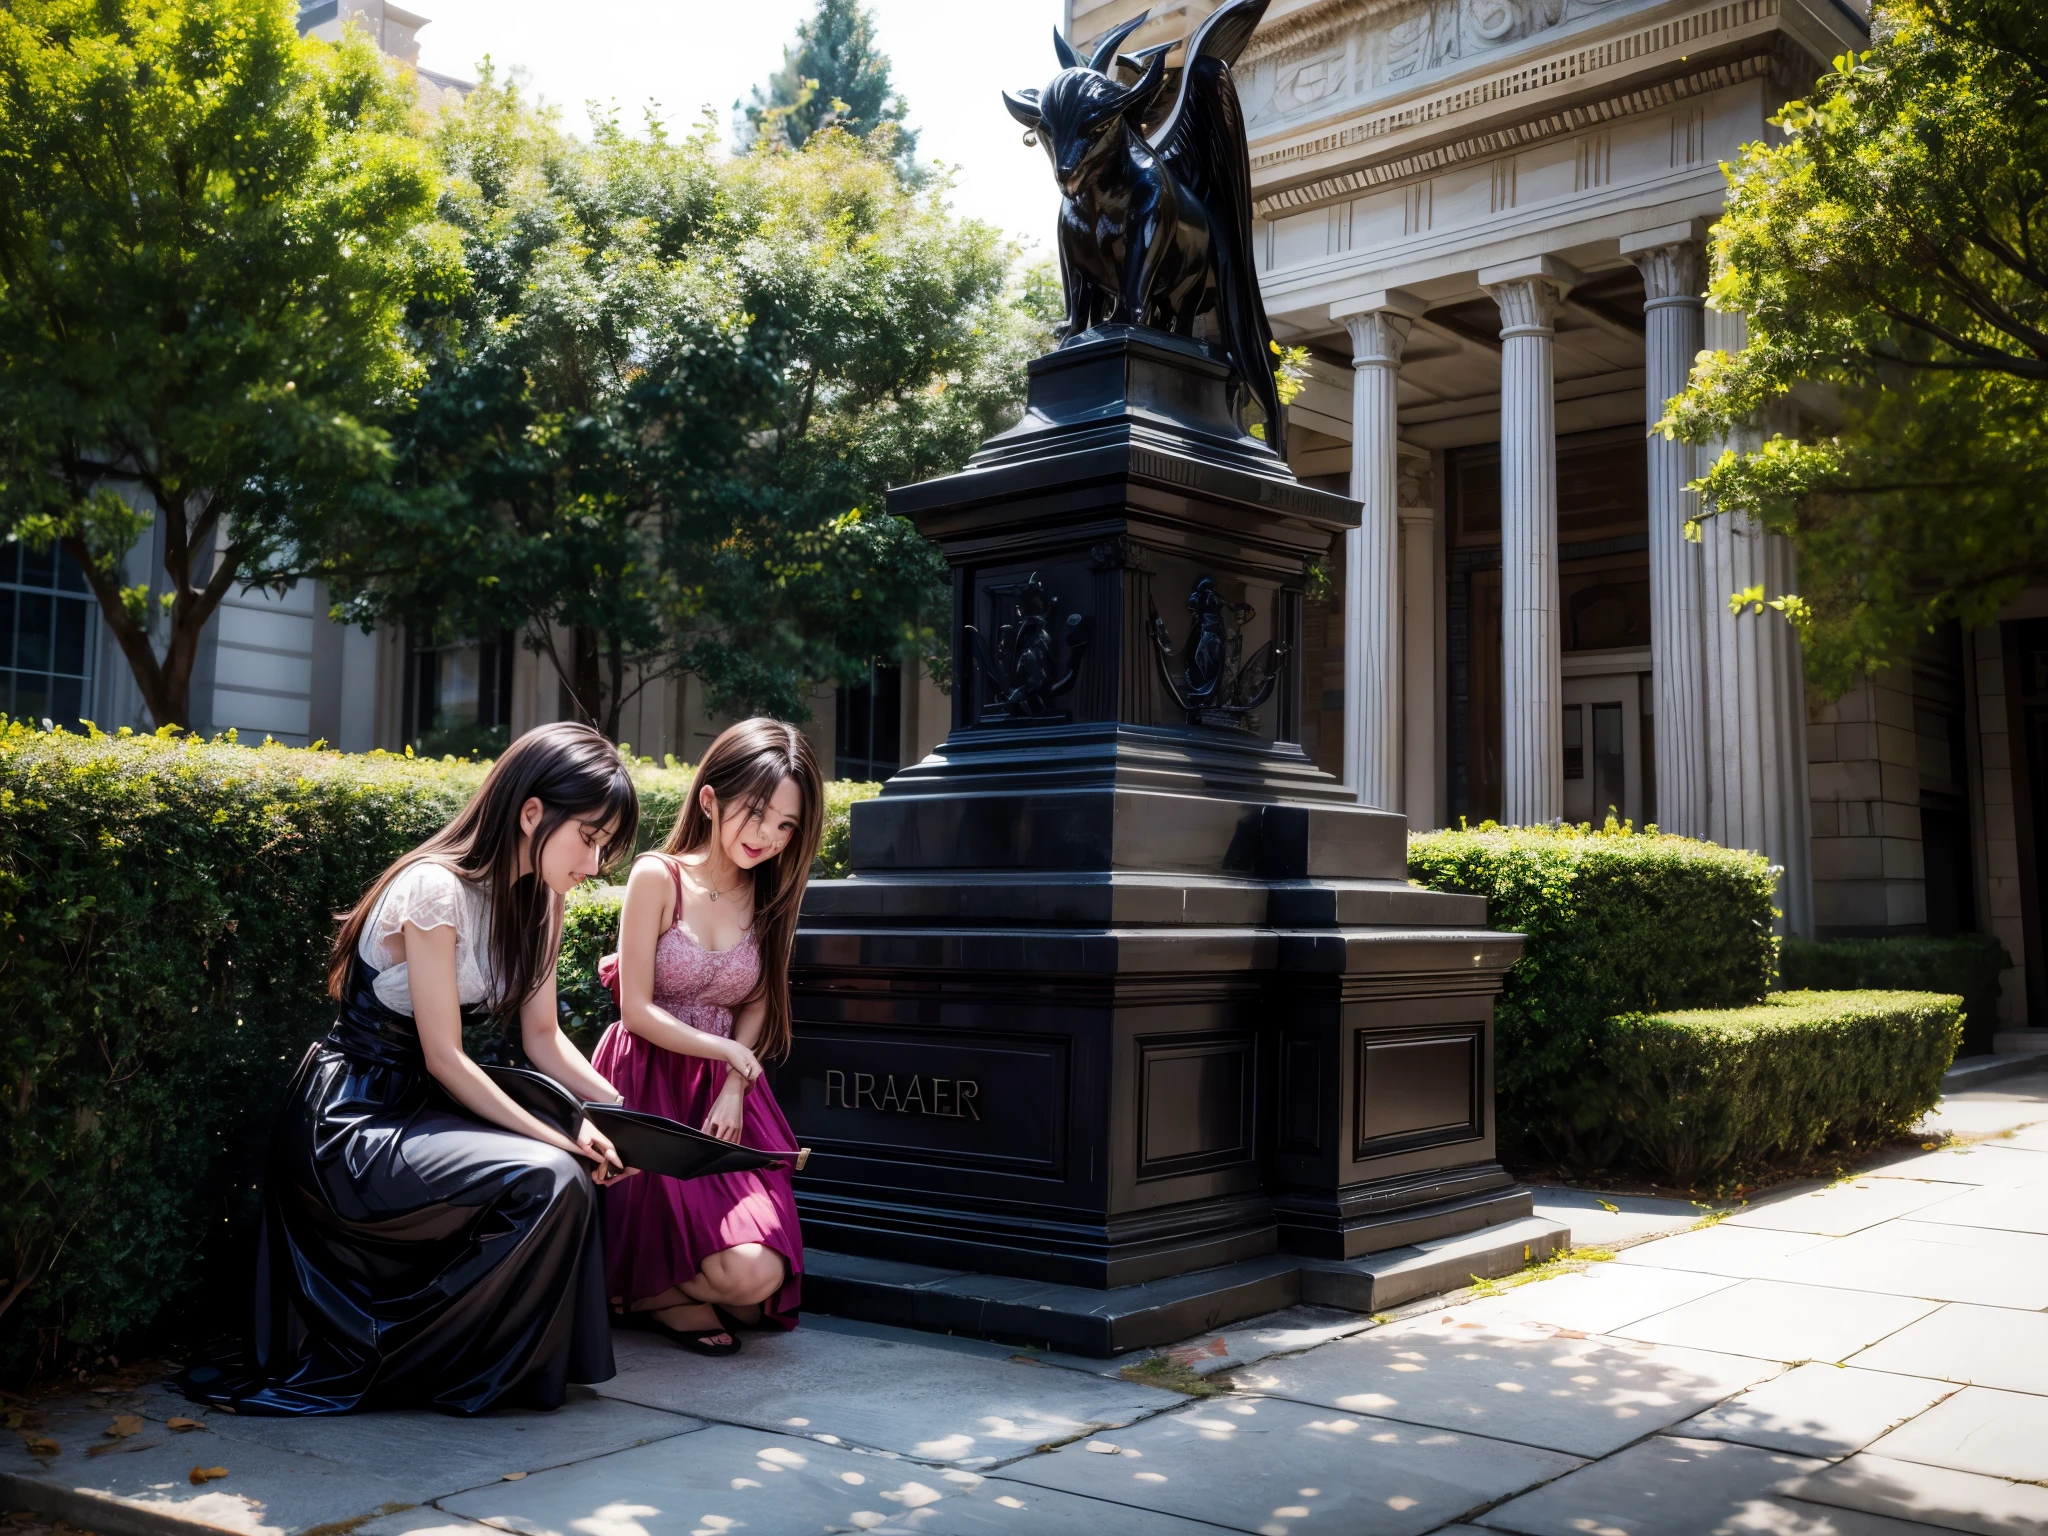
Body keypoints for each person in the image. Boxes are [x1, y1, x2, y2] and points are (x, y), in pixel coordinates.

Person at [178, 722, 639, 1415]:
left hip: (423, 1112)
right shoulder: (434, 890)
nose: (596, 864)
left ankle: (484, 1364)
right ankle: (425, 1367)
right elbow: (445, 1056)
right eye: (591, 838)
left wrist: (625, 1119)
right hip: (351, 1125)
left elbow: (543, 1039)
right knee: (551, 1173)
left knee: (575, 1166)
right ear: (532, 813)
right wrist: (560, 1136)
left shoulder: (543, 898)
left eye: (606, 846)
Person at [594, 718, 823, 1355]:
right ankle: (656, 1296)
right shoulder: (657, 877)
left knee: (758, 1274)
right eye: (757, 814)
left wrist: (731, 1082)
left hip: (723, 1101)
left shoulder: (769, 893)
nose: (768, 838)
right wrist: (729, 1052)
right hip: (644, 1084)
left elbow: (757, 1001)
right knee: (734, 1285)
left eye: (786, 826)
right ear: (709, 799)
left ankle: (641, 1296)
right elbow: (636, 1010)